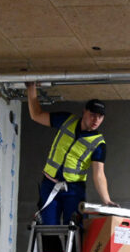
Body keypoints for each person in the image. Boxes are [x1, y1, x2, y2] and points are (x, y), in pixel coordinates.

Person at [27, 83, 117, 226]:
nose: (96, 120)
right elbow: (36, 115)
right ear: (84, 112)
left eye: (100, 117)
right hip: (50, 185)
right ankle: (51, 249)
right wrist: (31, 88)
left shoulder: (99, 144)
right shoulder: (66, 120)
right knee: (48, 228)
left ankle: (74, 249)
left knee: (76, 230)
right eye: (93, 115)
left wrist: (106, 200)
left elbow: (99, 174)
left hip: (74, 191)